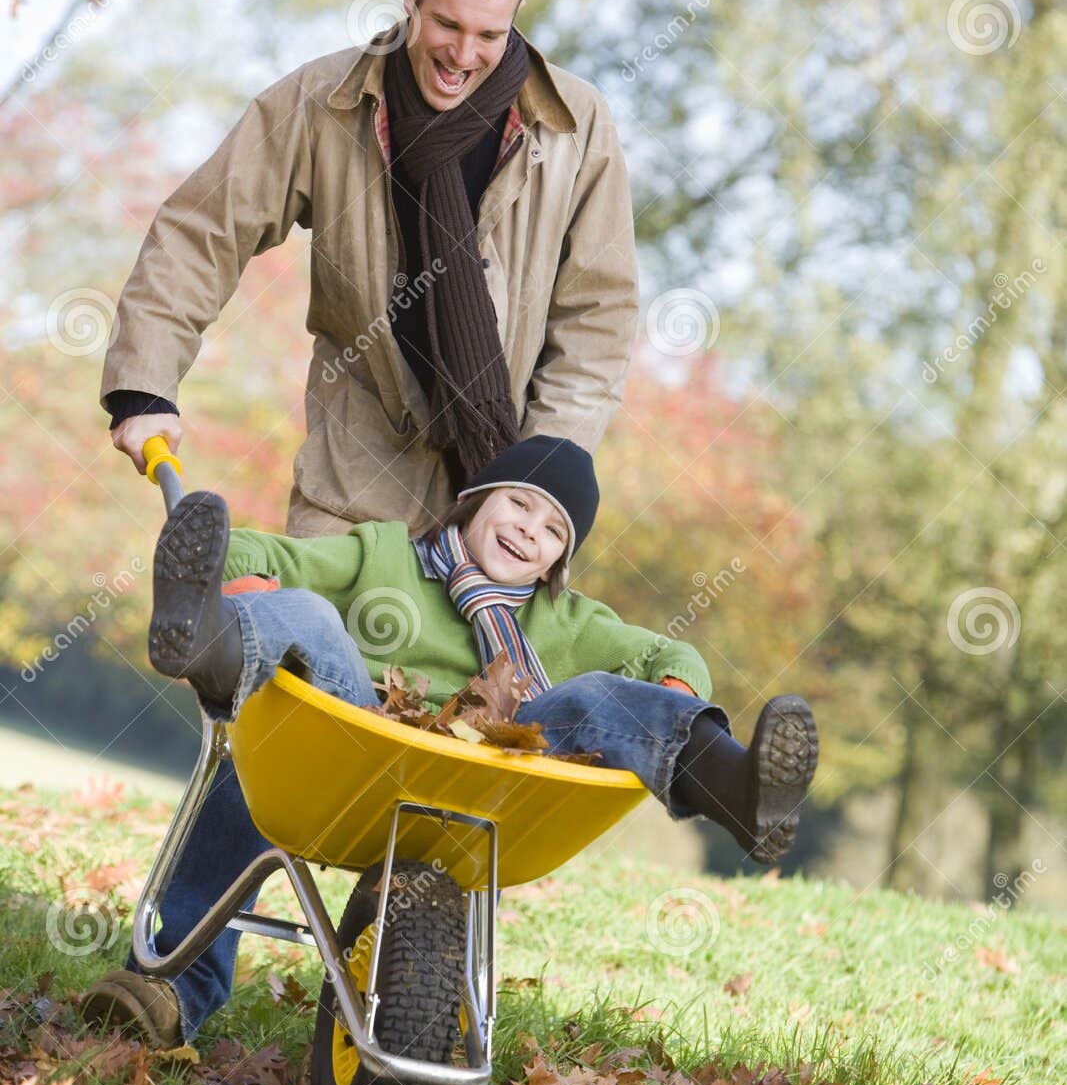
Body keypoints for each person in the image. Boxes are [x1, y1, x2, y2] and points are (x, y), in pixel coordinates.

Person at [82, 438, 818, 1048]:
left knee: (593, 697)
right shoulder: (384, 557)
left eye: (553, 530)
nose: (530, 529)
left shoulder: (569, 621)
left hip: (474, 794)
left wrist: (677, 693)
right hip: (345, 749)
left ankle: (742, 795)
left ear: (557, 559)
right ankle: (207, 651)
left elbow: (670, 658)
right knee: (307, 617)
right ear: (476, 500)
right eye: (518, 503)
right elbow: (255, 550)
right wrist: (238, 586)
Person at [100, 0, 638, 529]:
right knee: (304, 628)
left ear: (515, 17)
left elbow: (599, 314)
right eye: (446, 23)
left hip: (508, 507)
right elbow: (202, 232)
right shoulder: (320, 103)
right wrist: (146, 385)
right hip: (351, 493)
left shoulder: (576, 125)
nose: (463, 55)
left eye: (489, 35)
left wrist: (535, 484)